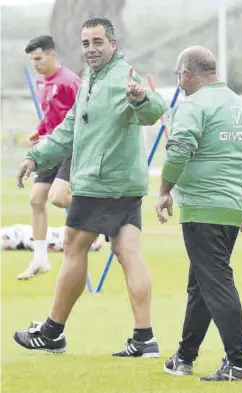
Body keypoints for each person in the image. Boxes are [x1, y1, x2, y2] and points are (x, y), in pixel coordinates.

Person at [14, 17, 167, 357]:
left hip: (101, 184)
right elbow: (70, 130)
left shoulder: (122, 77)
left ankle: (52, 332)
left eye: (98, 42)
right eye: (86, 43)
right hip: (124, 184)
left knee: (73, 249)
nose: (91, 49)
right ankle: (145, 339)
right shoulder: (91, 79)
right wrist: (35, 157)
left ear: (112, 44)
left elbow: (155, 110)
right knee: (128, 252)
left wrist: (142, 99)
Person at [156, 46, 242, 381]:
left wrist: (163, 191)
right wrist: (241, 194)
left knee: (215, 283)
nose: (179, 83)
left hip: (203, 208)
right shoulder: (238, 104)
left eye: (179, 77)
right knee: (201, 285)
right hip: (229, 207)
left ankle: (239, 362)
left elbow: (179, 150)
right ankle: (184, 357)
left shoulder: (194, 105)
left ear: (187, 73)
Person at [17, 35, 81, 280]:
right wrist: (40, 131)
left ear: (52, 54)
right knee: (35, 200)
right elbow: (49, 115)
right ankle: (40, 259)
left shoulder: (70, 82)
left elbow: (83, 116)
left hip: (70, 148)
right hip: (51, 148)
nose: (35, 64)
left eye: (38, 58)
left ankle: (96, 214)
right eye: (32, 60)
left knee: (59, 198)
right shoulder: (41, 81)